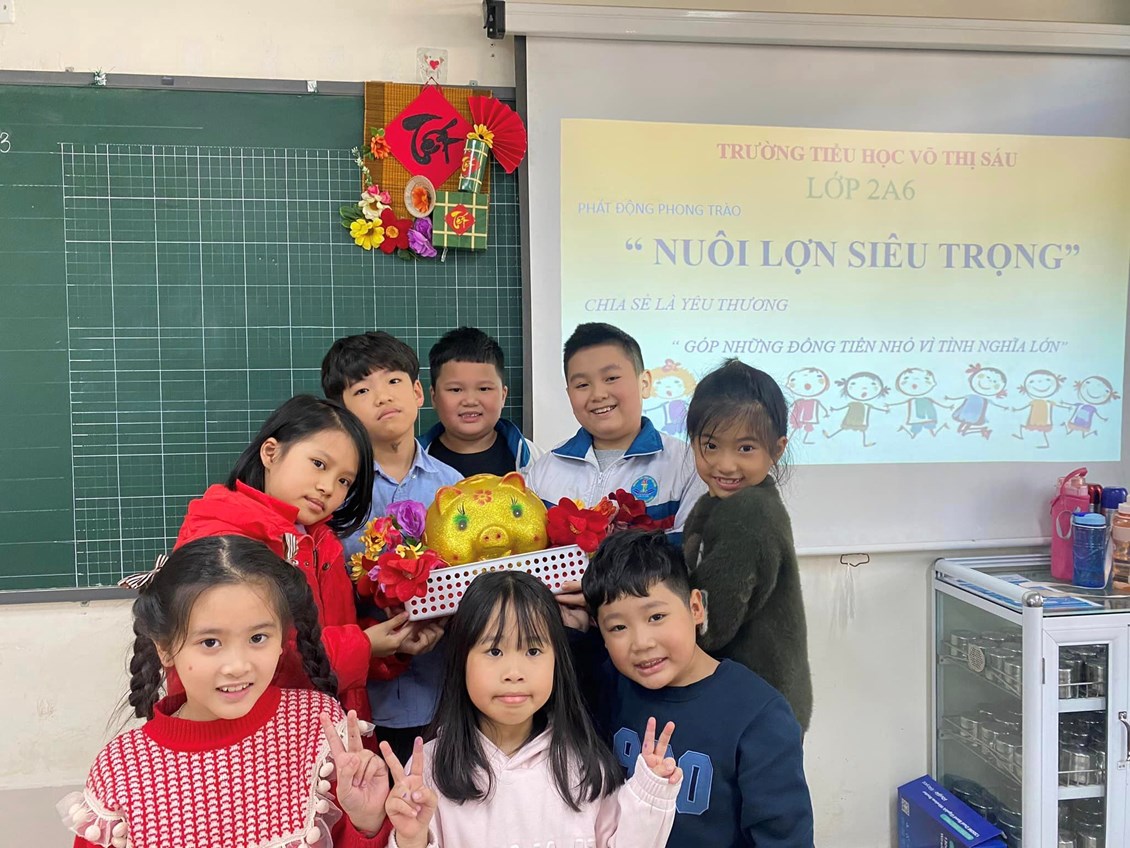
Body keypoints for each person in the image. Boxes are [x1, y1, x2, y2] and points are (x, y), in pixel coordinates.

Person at [60, 535, 392, 848]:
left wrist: (369, 822)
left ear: (282, 637)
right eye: (210, 642)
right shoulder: (122, 769)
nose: (237, 665)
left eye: (258, 638)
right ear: (165, 648)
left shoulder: (318, 726)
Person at [379, 570, 682, 848]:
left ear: (557, 662)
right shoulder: (431, 770)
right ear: (462, 661)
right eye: (494, 650)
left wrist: (649, 795)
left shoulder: (586, 765)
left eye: (533, 650)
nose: (514, 672)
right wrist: (411, 840)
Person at [175, 395, 418, 719]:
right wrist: (364, 645)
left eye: (344, 481)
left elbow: (327, 634)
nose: (328, 487)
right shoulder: (225, 541)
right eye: (319, 464)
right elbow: (265, 662)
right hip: (258, 735)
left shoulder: (319, 540)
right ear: (270, 453)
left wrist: (392, 640)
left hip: (325, 726)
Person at [581, 530, 814, 848]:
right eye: (618, 627)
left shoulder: (758, 714)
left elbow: (785, 838)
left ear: (695, 607)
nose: (642, 643)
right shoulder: (606, 684)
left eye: (656, 616)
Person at [322, 331, 459, 762]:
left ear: (418, 392)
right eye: (362, 390)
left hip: (448, 694)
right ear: (342, 412)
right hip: (362, 702)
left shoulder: (454, 488)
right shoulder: (331, 494)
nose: (383, 397)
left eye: (394, 381)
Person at [682, 359, 813, 731]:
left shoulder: (748, 512)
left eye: (745, 448)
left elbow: (710, 626)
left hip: (756, 710)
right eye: (710, 445)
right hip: (757, 702)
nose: (725, 465)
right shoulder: (717, 503)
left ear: (777, 449)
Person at [526, 322, 706, 544]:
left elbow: (690, 551)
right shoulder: (545, 470)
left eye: (611, 378)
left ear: (644, 383)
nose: (598, 394)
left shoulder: (686, 464)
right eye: (582, 385)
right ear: (569, 393)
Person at [419, 326, 539, 477]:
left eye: (484, 389)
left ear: (503, 396)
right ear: (434, 396)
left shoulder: (536, 462)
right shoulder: (411, 462)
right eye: (456, 390)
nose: (470, 401)